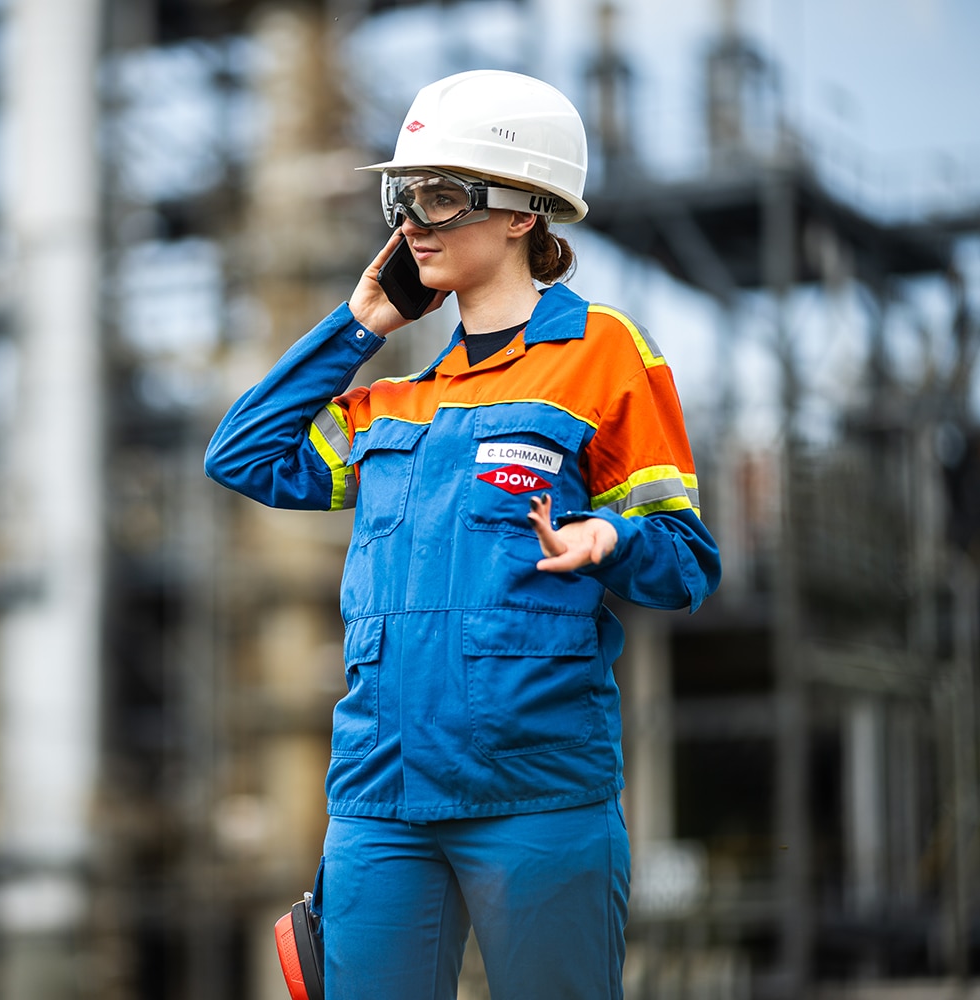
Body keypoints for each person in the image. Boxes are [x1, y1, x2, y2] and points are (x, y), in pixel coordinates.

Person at [204, 69, 720, 1000]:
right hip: (379, 802)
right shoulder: (395, 400)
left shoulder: (603, 356)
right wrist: (357, 325)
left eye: (439, 196)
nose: (411, 223)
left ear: (523, 210)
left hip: (536, 796)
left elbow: (686, 565)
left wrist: (609, 538)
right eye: (401, 198)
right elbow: (242, 455)